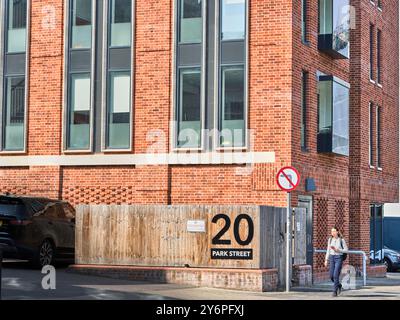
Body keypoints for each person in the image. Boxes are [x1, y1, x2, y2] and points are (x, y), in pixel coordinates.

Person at [324, 226, 348, 297]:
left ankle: (334, 291)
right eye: (332, 232)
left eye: (334, 231)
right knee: (331, 276)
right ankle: (339, 285)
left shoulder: (341, 240)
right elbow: (328, 250)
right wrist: (326, 260)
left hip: (339, 258)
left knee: (335, 275)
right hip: (332, 257)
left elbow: (346, 250)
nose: (333, 233)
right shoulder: (330, 239)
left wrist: (339, 250)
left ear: (337, 232)